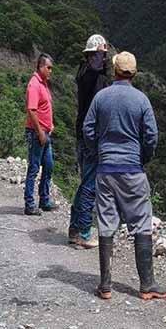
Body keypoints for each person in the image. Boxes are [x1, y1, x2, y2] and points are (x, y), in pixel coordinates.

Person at [83, 51, 166, 300]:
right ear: (134, 73)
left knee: (106, 223)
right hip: (132, 170)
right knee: (142, 223)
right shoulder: (141, 100)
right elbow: (151, 135)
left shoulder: (101, 97)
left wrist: (98, 152)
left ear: (115, 71)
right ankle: (146, 285)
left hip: (106, 169)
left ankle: (106, 285)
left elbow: (88, 129)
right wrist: (142, 157)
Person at [69, 35, 110, 249]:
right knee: (90, 186)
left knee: (85, 182)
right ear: (92, 56)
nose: (102, 59)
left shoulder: (84, 73)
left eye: (103, 55)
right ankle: (83, 233)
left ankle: (75, 229)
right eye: (100, 55)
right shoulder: (93, 77)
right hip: (91, 137)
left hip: (83, 135)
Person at [23, 53, 56, 216]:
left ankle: (44, 200)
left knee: (48, 166)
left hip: (45, 132)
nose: (50, 71)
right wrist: (40, 132)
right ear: (41, 67)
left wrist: (51, 125)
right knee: (34, 167)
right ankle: (29, 204)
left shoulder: (43, 84)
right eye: (48, 68)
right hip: (38, 134)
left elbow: (45, 107)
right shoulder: (34, 84)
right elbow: (32, 110)